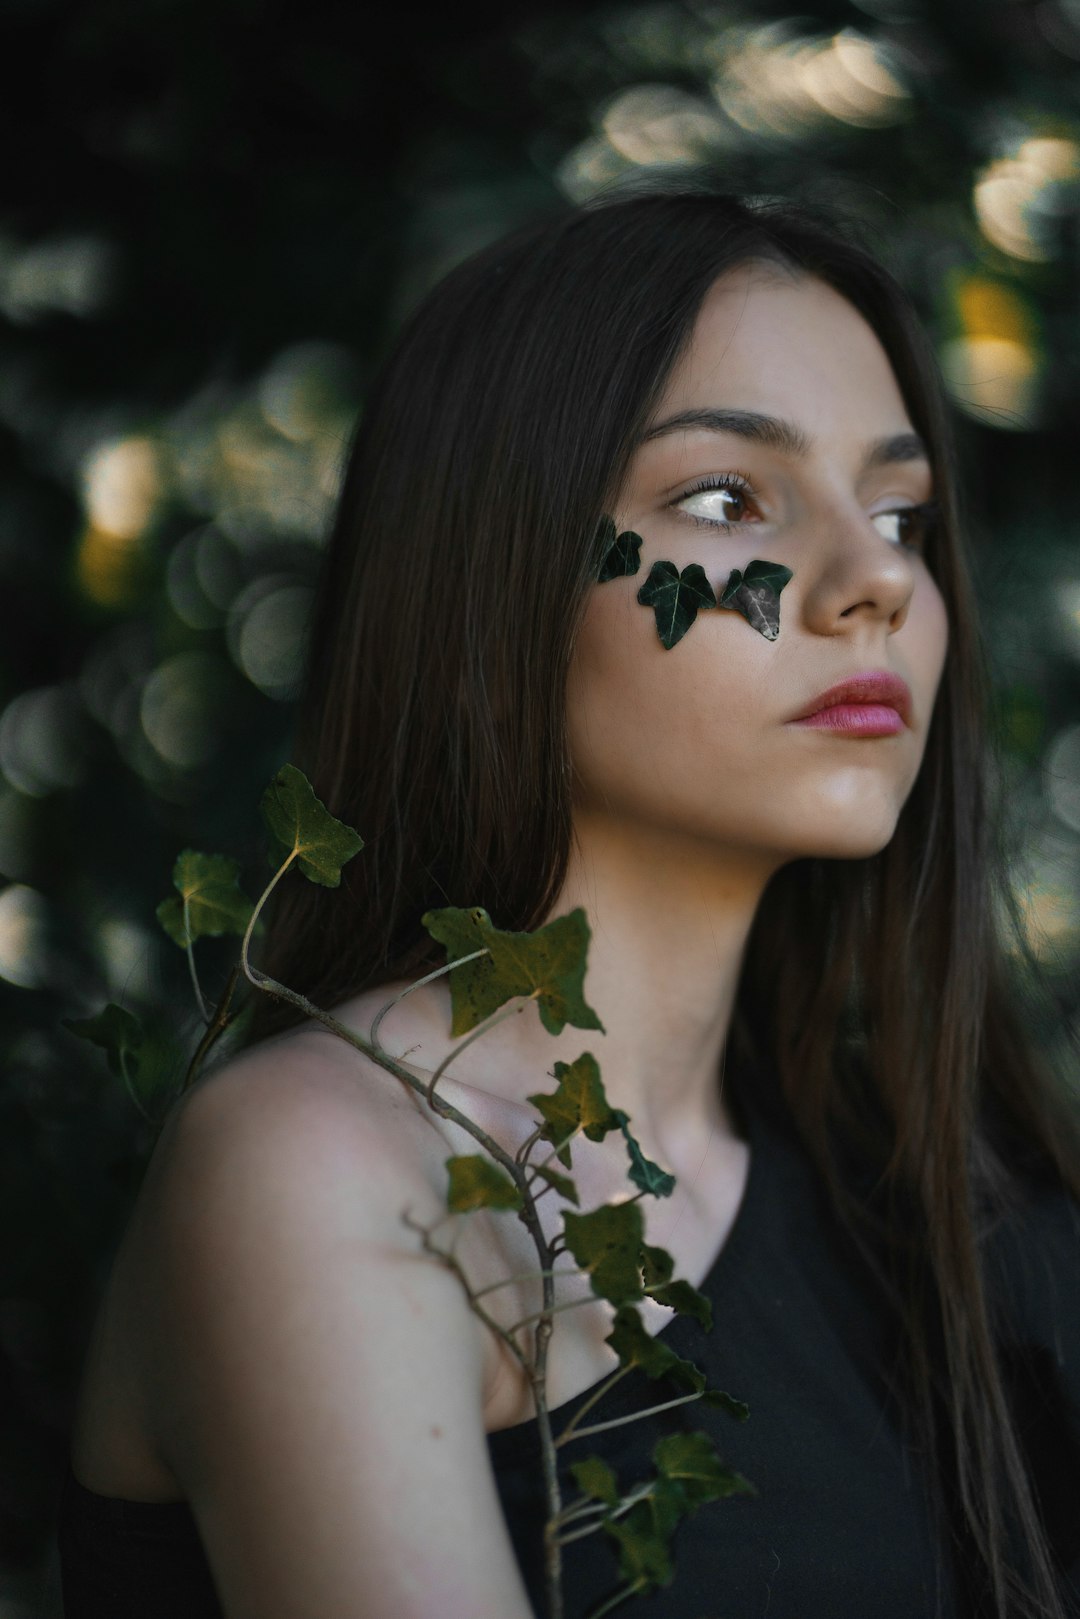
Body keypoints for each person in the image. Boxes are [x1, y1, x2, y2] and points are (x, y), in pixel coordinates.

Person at [57, 185, 1080, 1619]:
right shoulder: (328, 1166)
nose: (877, 586)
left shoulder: (940, 1211)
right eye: (727, 499)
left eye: (901, 511)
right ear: (500, 571)